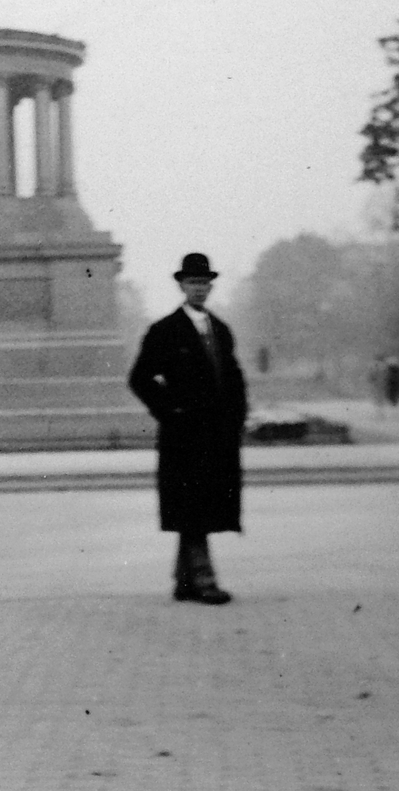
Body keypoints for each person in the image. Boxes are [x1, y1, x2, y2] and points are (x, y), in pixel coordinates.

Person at [128, 252, 248, 605]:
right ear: (181, 285)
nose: (200, 289)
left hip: (218, 434)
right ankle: (204, 578)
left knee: (201, 505)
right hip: (184, 436)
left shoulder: (221, 330)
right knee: (194, 506)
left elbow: (234, 378)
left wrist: (237, 418)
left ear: (211, 286)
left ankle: (184, 581)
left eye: (204, 283)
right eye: (193, 283)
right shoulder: (164, 331)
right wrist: (171, 412)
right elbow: (140, 378)